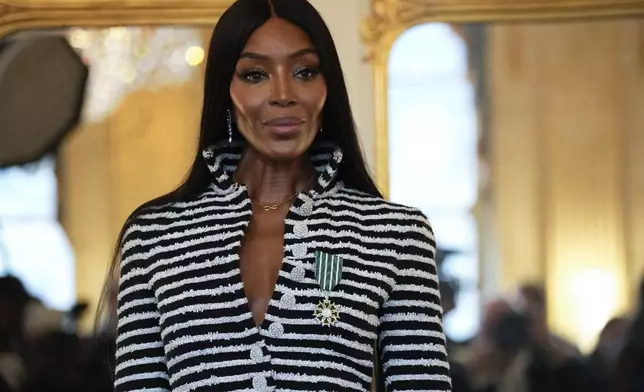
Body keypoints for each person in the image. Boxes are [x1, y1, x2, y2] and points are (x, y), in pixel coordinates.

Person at [102, 0, 451, 391]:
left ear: (327, 87)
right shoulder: (155, 235)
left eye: (305, 71)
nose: (283, 93)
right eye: (255, 74)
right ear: (224, 90)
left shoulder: (395, 234)